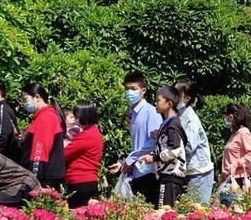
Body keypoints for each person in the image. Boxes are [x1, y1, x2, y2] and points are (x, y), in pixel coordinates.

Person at [109, 72, 162, 206]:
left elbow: (153, 142)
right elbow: (138, 145)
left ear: (143, 91)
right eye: (127, 89)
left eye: (133, 89)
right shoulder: (132, 113)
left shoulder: (151, 112)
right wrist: (123, 163)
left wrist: (129, 160)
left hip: (148, 173)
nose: (129, 92)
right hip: (137, 172)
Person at [174, 78, 215, 205]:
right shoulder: (180, 116)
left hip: (199, 174)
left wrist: (169, 153)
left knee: (197, 213)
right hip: (188, 172)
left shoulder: (191, 118)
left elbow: (189, 146)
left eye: (176, 94)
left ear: (186, 98)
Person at [148, 85, 189, 207]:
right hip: (165, 175)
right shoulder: (167, 123)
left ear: (169, 103)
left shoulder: (173, 124)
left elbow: (174, 150)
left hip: (171, 176)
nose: (156, 103)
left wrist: (154, 158)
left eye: (158, 100)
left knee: (165, 212)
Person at [19, 83, 66, 190]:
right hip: (43, 176)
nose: (24, 103)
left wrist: (34, 178)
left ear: (37, 97)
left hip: (44, 177)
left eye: (26, 99)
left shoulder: (46, 117)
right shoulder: (41, 116)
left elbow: (40, 150)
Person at [63, 103, 104, 208]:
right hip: (86, 180)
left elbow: (65, 153)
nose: (75, 120)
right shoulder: (93, 132)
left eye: (77, 117)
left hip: (80, 180)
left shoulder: (86, 135)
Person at [220, 102, 251, 202]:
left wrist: (236, 164)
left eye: (224, 116)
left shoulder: (243, 132)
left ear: (231, 117)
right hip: (228, 179)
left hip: (238, 180)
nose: (223, 119)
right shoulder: (234, 134)